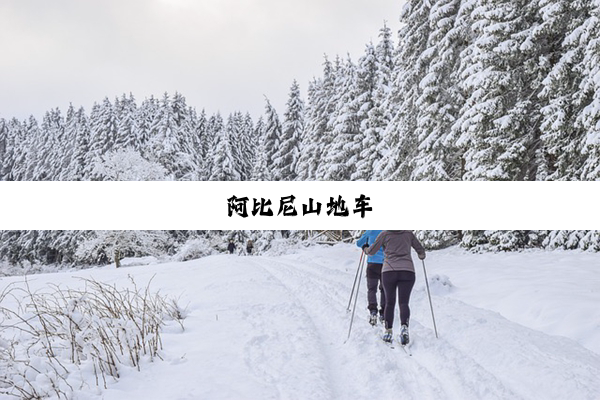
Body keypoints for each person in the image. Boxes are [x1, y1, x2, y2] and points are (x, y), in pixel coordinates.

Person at [364, 230, 426, 345]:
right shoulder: (408, 234)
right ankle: (404, 328)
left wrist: (365, 249)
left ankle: (388, 331)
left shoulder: (384, 234)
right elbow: (420, 250)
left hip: (389, 271)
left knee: (389, 302)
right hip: (407, 271)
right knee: (404, 303)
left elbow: (372, 251)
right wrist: (421, 255)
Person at [356, 230, 386, 326]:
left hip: (372, 263)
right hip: (386, 264)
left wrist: (365, 247)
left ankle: (373, 311)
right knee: (384, 289)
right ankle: (384, 313)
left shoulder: (370, 231)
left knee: (372, 289)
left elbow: (359, 243)